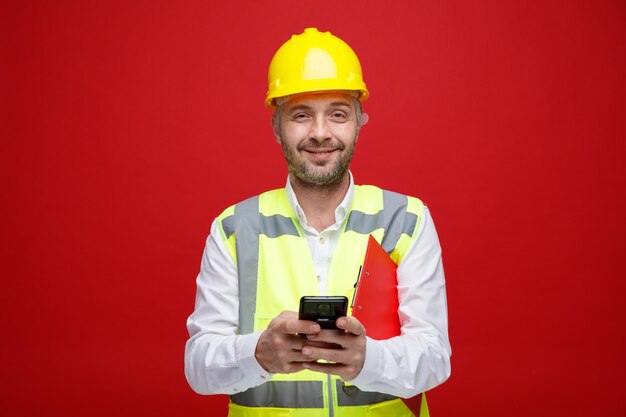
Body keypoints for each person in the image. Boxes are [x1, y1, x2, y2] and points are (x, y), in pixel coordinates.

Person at [185, 28, 451, 417]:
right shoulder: (233, 229)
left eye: (338, 114)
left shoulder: (406, 220)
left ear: (359, 121)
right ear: (277, 127)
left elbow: (435, 358)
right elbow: (199, 369)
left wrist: (368, 360)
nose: (321, 133)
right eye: (302, 115)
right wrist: (257, 353)